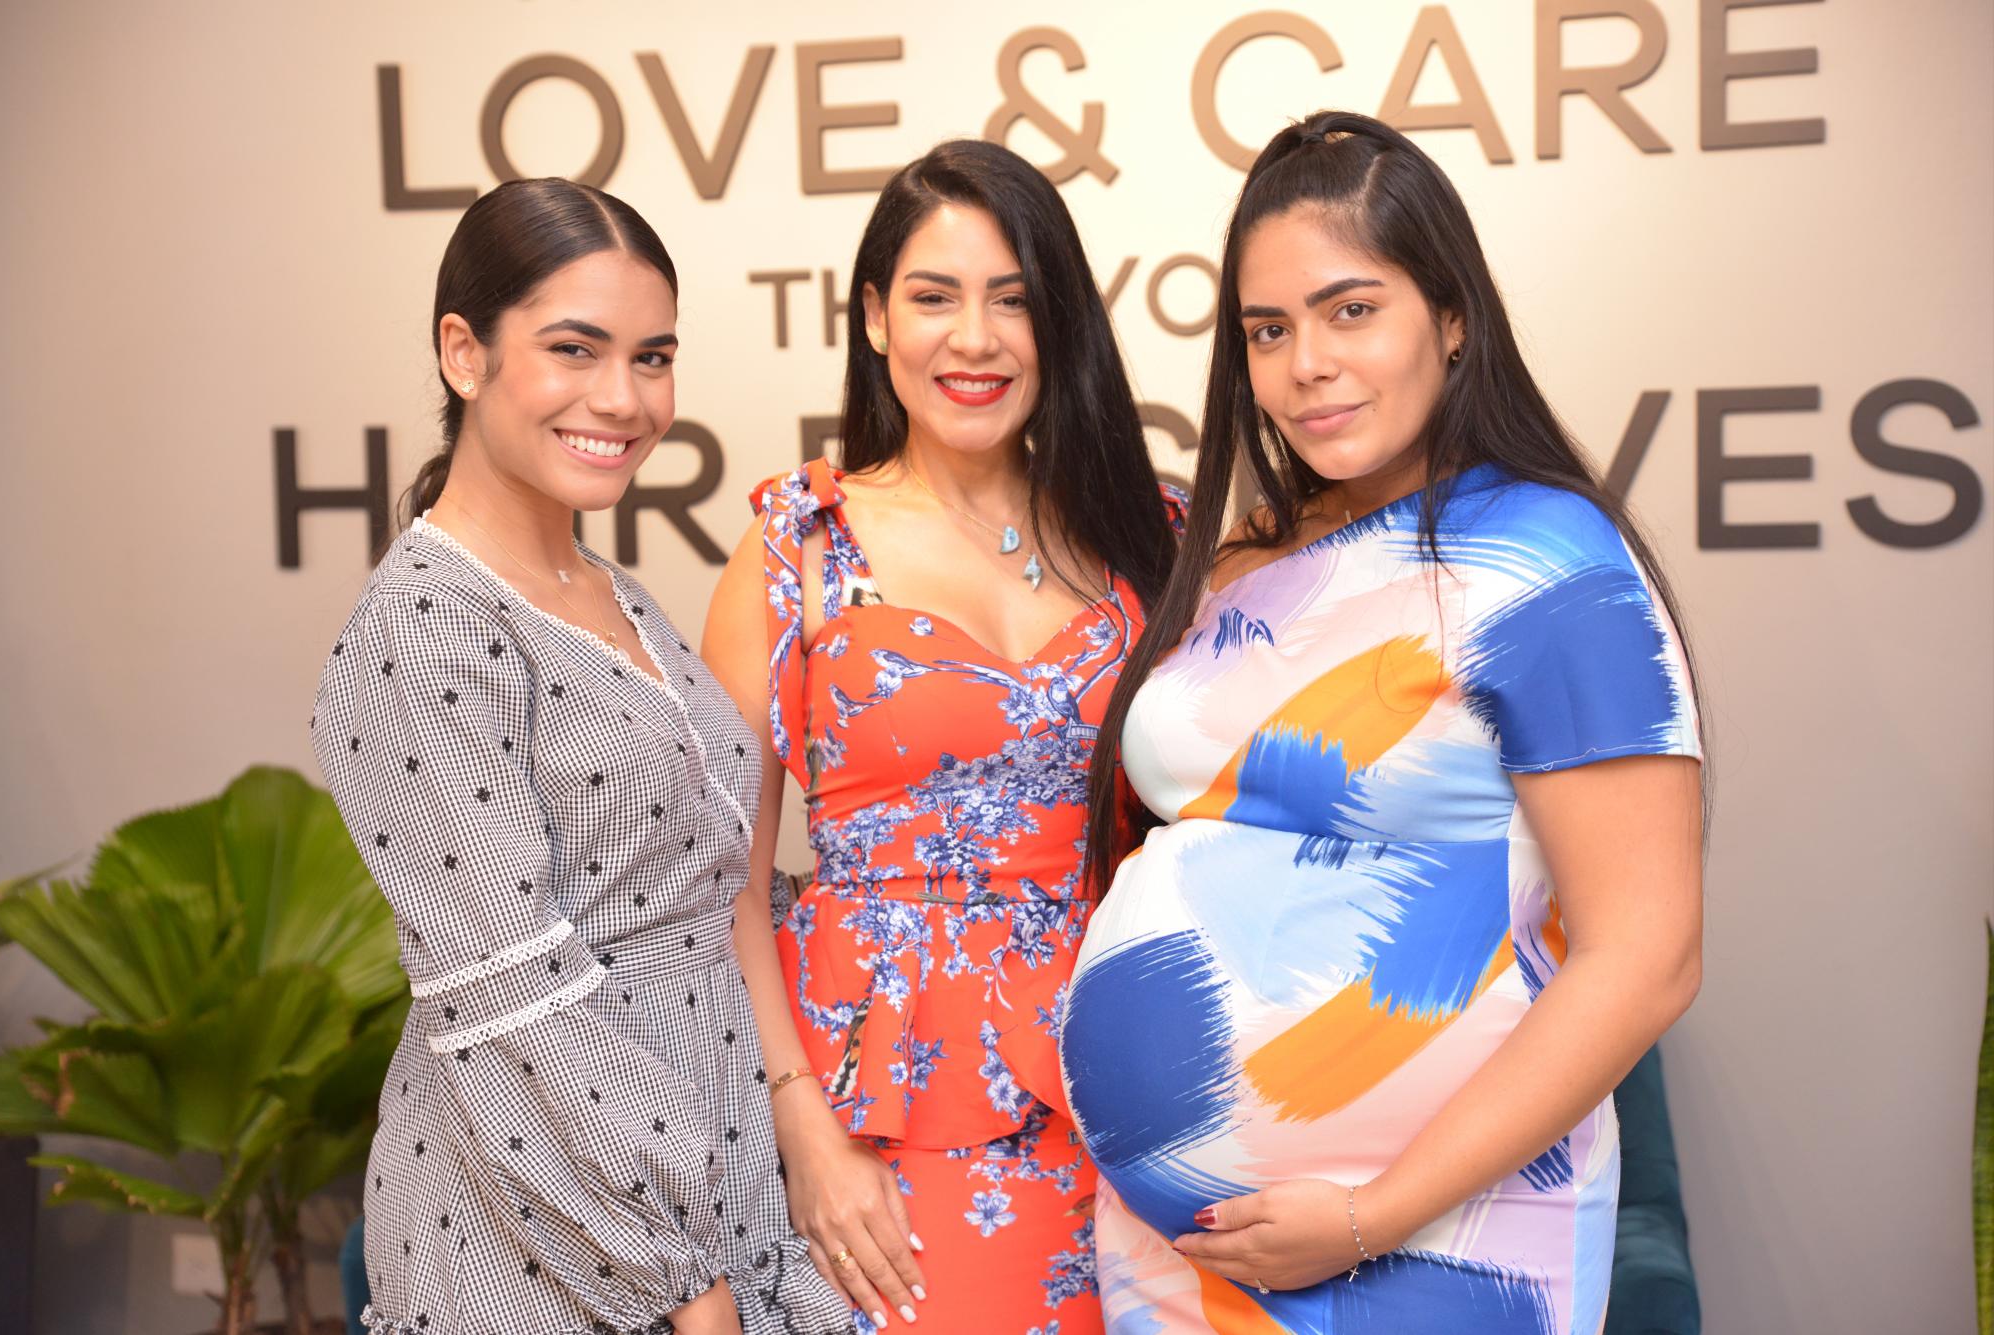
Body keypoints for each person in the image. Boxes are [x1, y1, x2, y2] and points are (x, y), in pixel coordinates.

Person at [1059, 111, 1706, 1334]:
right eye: (1267, 328)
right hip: (1173, 1253)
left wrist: (1374, 1214)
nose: (1305, 361)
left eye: (1350, 309)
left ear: (1450, 318)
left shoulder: (1546, 561)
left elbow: (1648, 953)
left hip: (1440, 1235)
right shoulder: (1241, 553)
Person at [311, 177, 853, 1335]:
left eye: (651, 357)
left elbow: (703, 887)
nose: (623, 397)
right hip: (555, 1225)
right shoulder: (424, 626)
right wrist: (678, 1281)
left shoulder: (603, 588)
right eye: (574, 349)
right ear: (464, 352)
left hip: (707, 1170)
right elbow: (513, 1000)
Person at [701, 139, 1184, 1335]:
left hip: (1121, 1092)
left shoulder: (1153, 533)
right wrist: (796, 1119)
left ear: (1059, 324)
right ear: (873, 318)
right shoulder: (798, 548)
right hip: (875, 1121)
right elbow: (719, 882)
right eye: (933, 296)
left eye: (1013, 300)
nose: (973, 338)